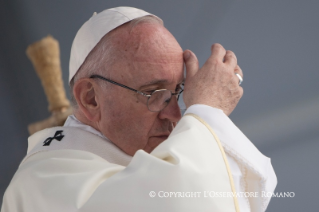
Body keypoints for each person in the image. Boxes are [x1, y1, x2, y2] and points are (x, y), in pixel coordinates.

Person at [1, 6, 276, 212]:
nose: (176, 116)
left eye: (179, 93)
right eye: (155, 94)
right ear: (91, 99)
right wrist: (207, 110)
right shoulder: (45, 183)